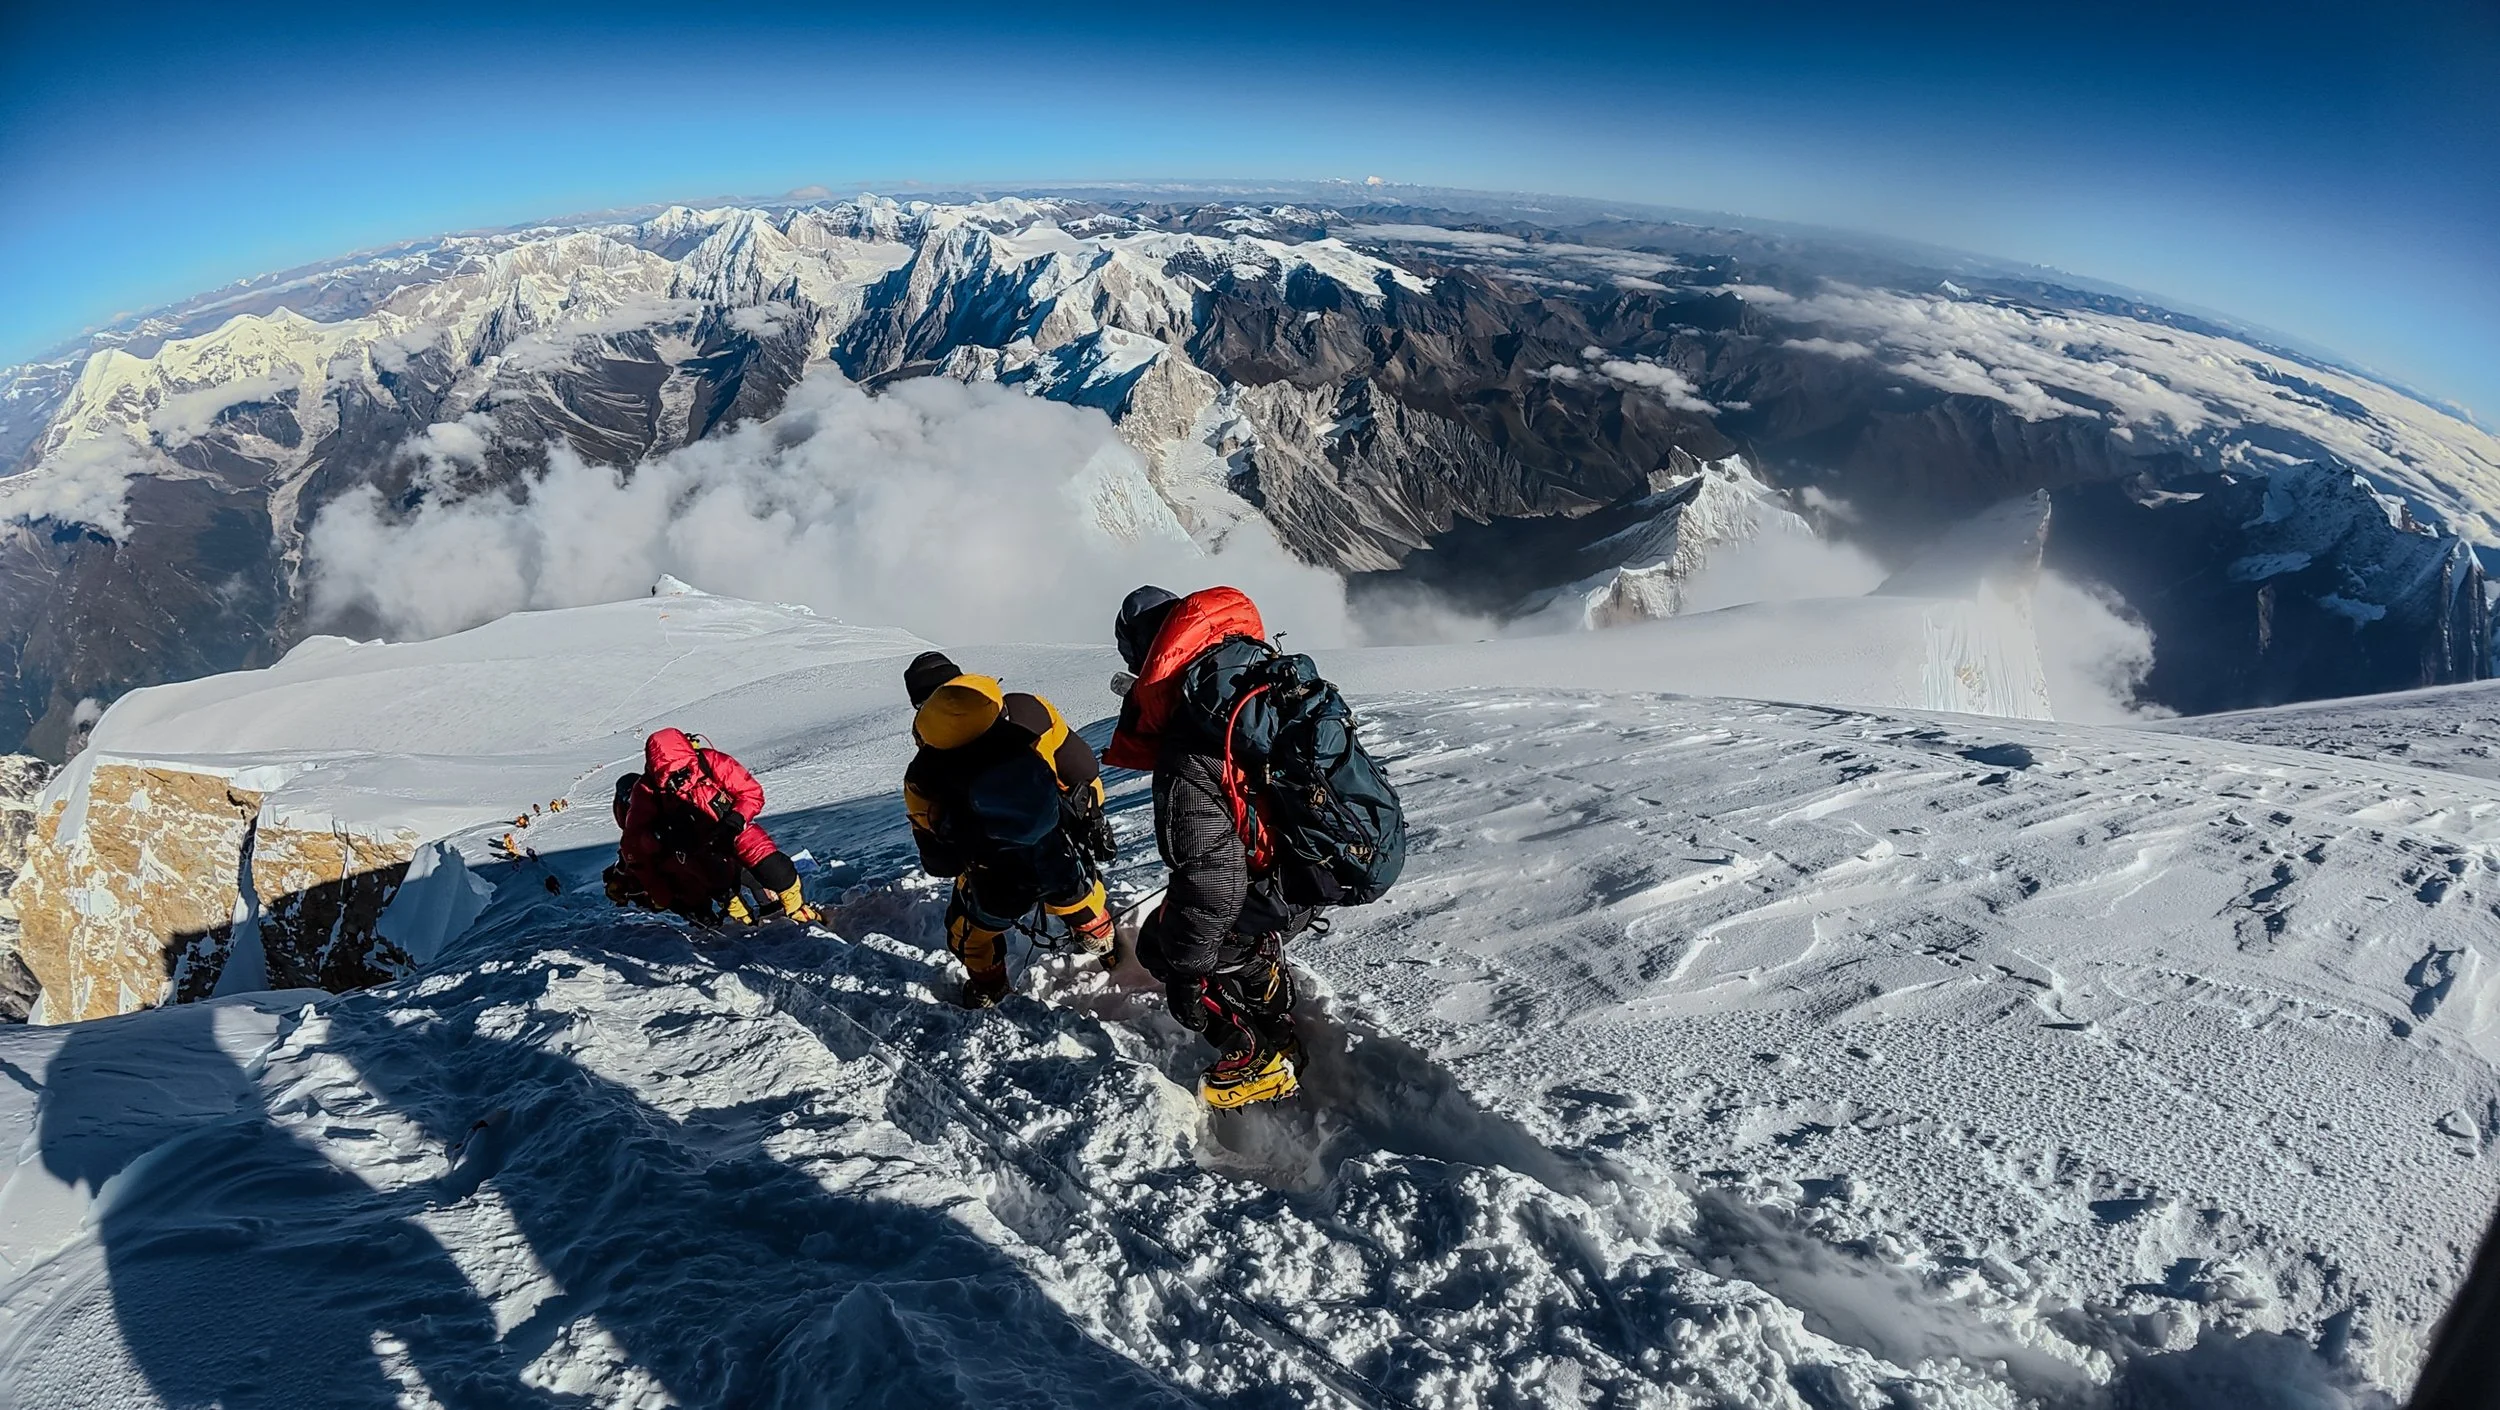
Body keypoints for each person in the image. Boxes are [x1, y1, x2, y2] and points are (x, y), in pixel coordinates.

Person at [1106, 585, 1316, 1109]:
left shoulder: (1192, 737)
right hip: (1312, 868)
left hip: (1267, 887)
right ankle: (1268, 994)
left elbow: (1211, 884)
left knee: (1167, 947)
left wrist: (1187, 975)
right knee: (1213, 932)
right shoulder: (1253, 685)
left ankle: (1253, 1056)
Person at [901, 651, 1118, 1008]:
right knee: (1082, 898)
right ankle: (1104, 945)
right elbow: (1083, 768)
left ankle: (991, 989)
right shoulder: (1029, 711)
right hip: (1060, 854)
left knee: (967, 937)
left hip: (996, 883)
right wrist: (1089, 820)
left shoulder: (923, 774)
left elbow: (940, 864)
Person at [606, 728, 820, 927]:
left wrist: (735, 822)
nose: (677, 782)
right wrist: (659, 839)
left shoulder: (710, 762)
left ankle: (797, 911)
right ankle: (743, 922)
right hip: (696, 847)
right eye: (669, 777)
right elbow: (634, 843)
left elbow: (751, 793)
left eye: (682, 773)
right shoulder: (646, 791)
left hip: (732, 827)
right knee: (720, 885)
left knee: (775, 869)